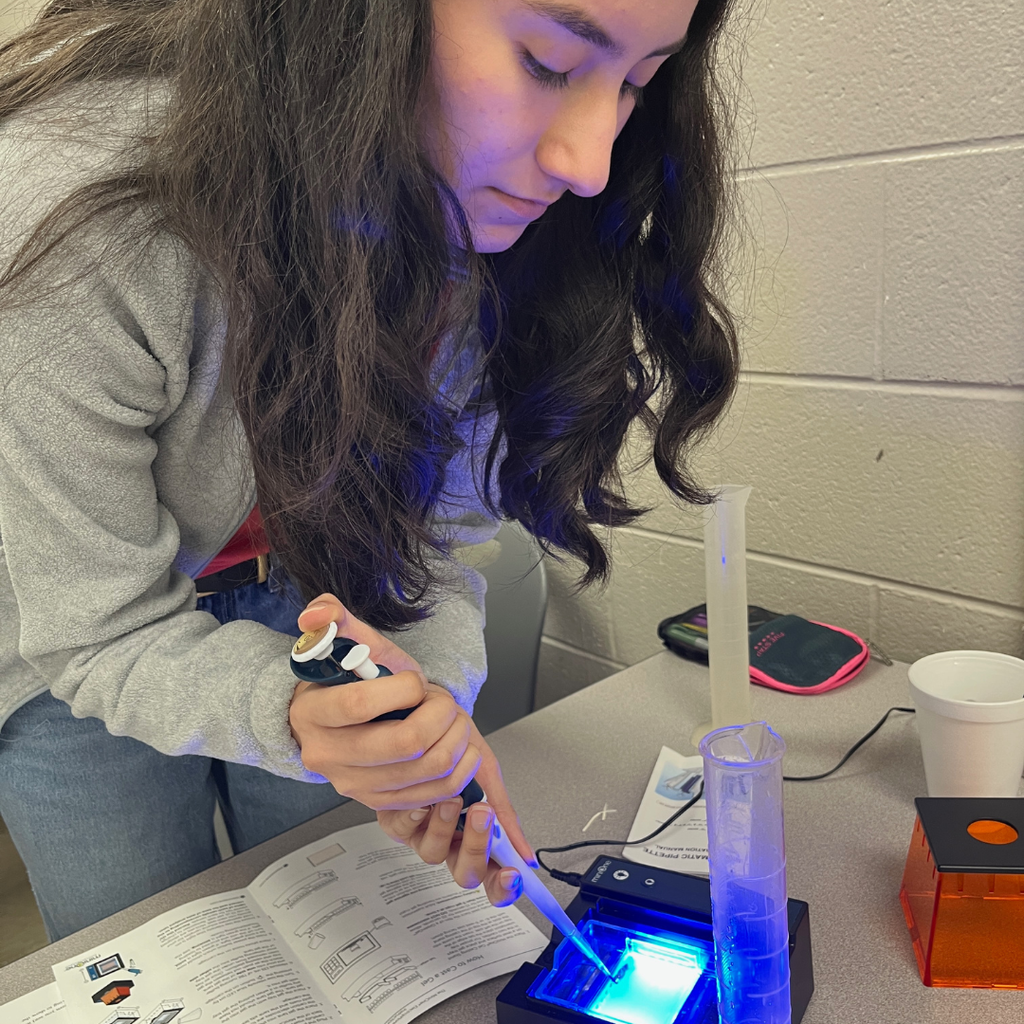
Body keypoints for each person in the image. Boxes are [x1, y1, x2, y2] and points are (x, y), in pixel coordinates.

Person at [0, 0, 739, 941]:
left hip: (317, 597)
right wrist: (288, 711)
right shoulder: (73, 206)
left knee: (329, 902)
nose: (589, 164)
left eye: (636, 81)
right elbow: (96, 632)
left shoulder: (495, 225)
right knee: (138, 937)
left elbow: (430, 552)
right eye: (548, 61)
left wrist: (420, 720)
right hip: (69, 623)